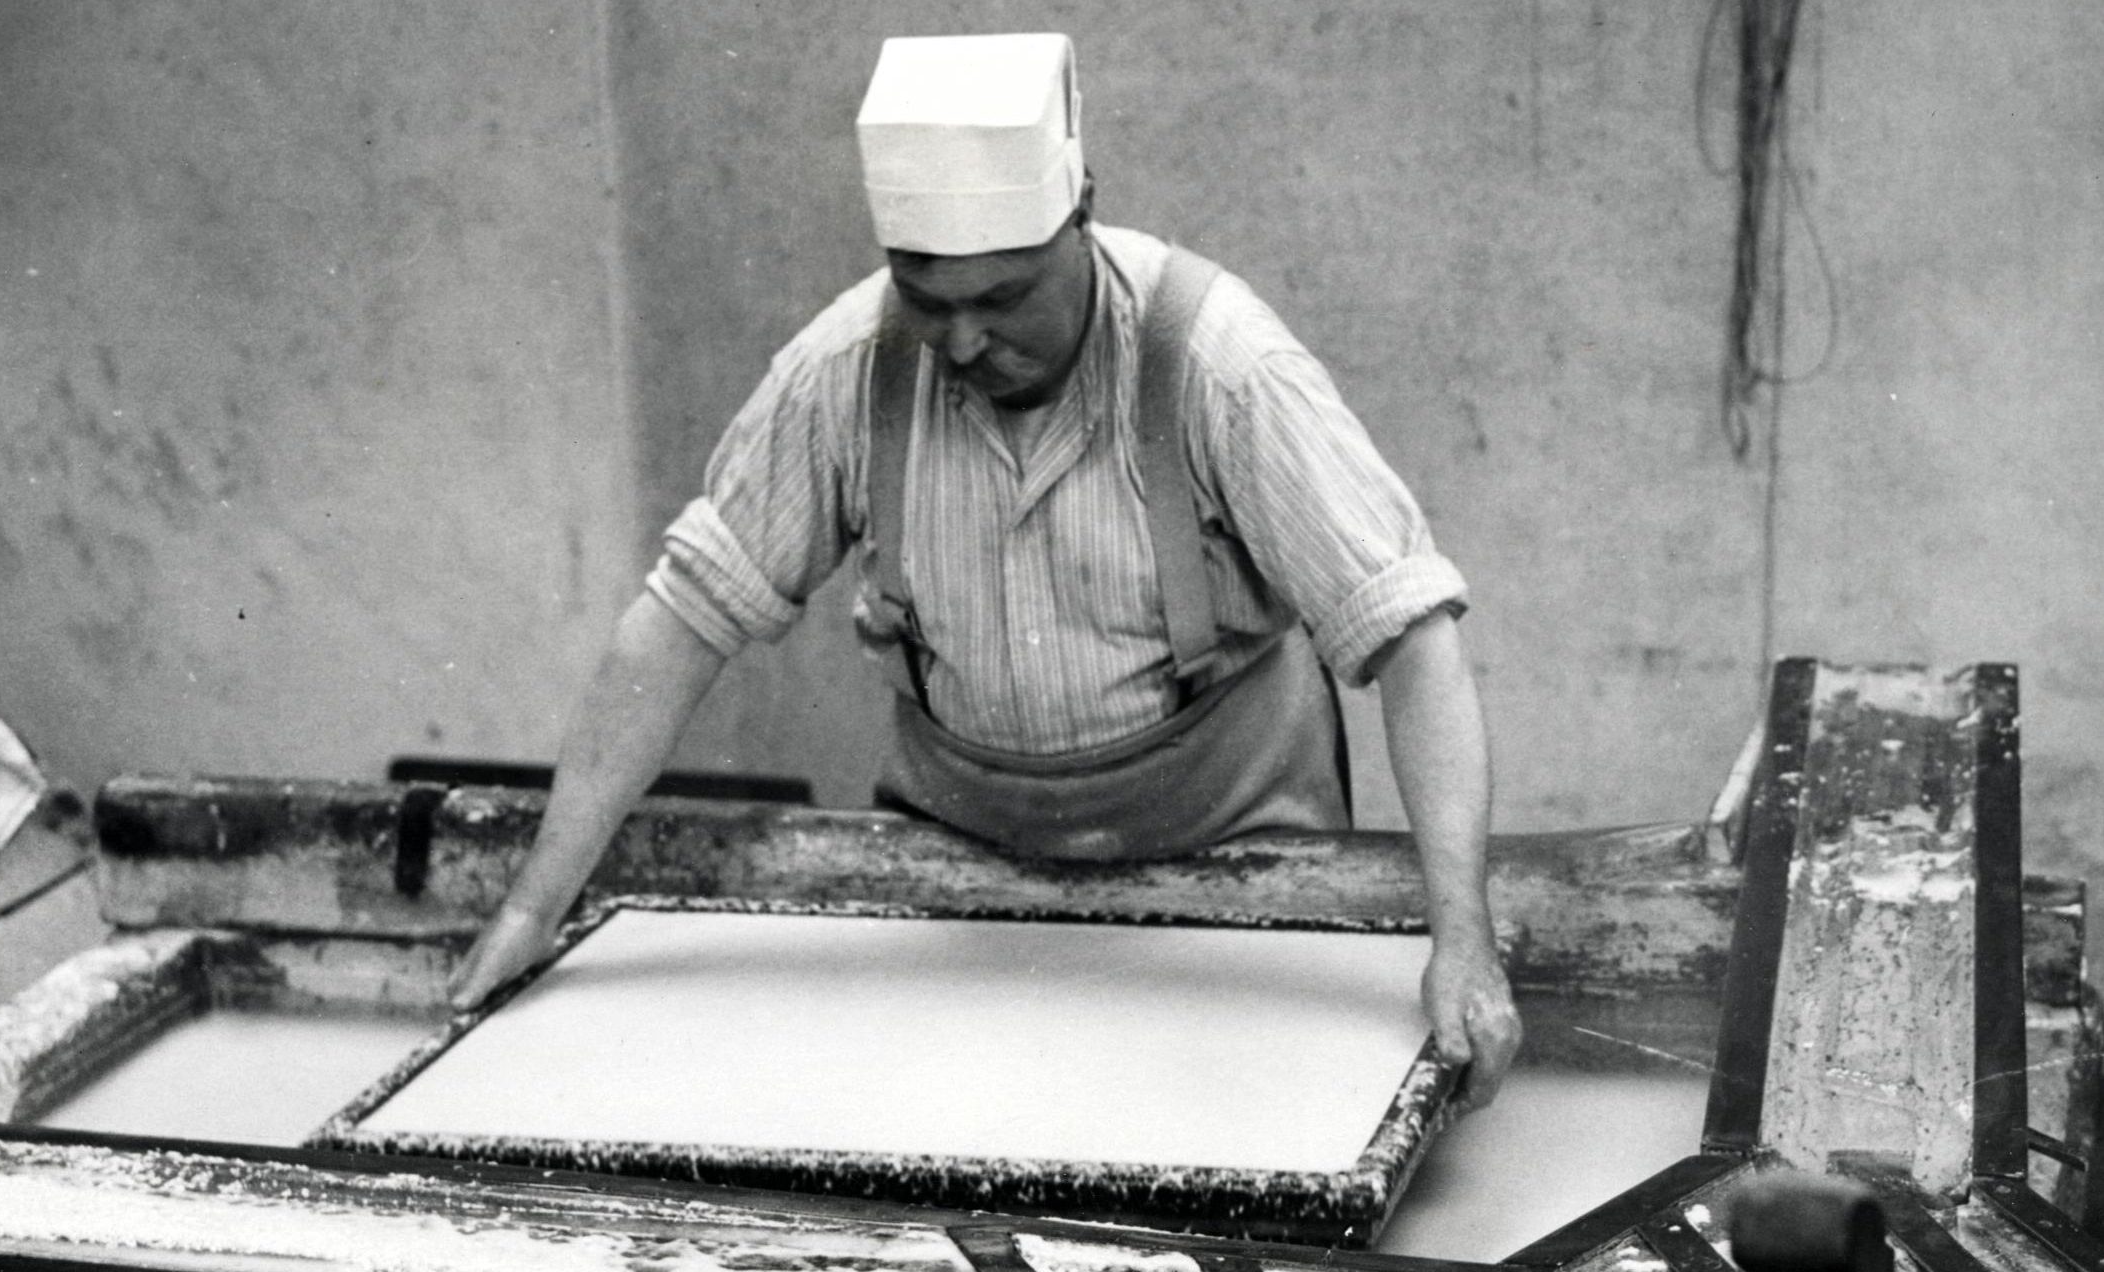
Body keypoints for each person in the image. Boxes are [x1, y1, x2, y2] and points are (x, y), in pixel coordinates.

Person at [449, 33, 1522, 1111]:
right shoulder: (844, 370)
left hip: (1236, 857)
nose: (960, 342)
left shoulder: (1214, 363)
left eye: (1004, 299)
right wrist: (534, 909)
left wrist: (1461, 944)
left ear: (1081, 212)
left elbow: (1413, 642)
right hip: (970, 868)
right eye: (925, 296)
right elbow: (675, 630)